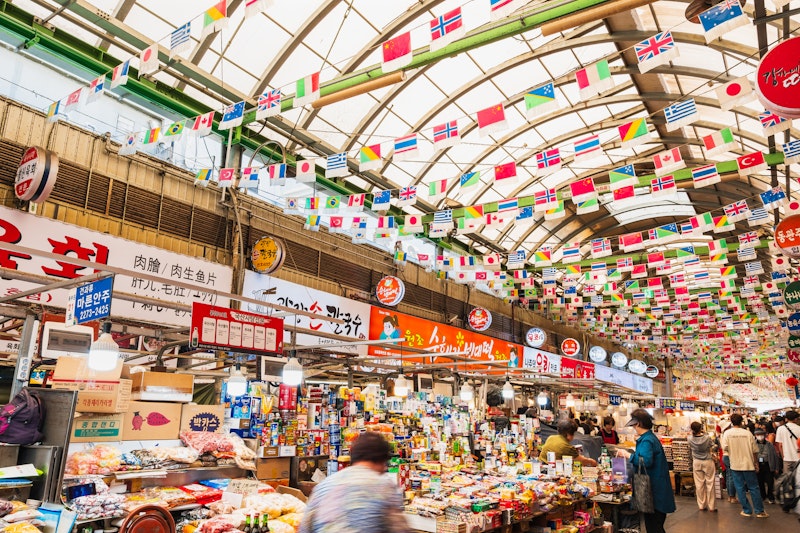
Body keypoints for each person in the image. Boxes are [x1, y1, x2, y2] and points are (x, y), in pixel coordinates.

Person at [298, 432, 409, 533]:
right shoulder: (384, 486)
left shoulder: (324, 486)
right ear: (382, 461)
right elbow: (400, 529)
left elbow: (304, 529)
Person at [617, 409, 675, 533]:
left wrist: (627, 455)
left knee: (654, 526)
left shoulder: (647, 440)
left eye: (634, 425)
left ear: (638, 424)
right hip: (656, 490)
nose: (633, 428)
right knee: (655, 525)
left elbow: (645, 461)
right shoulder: (649, 438)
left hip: (653, 491)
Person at [724, 413, 768, 518]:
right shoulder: (748, 433)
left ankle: (747, 510)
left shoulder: (727, 433)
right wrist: (756, 463)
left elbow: (725, 448)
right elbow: (755, 451)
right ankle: (759, 511)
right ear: (741, 422)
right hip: (748, 464)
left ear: (731, 422)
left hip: (735, 464)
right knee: (754, 487)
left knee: (740, 488)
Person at [688, 421, 717, 512]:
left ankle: (701, 505)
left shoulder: (689, 438)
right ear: (701, 428)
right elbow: (714, 446)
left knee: (699, 484)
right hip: (708, 461)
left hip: (696, 462)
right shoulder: (707, 438)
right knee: (710, 483)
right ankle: (712, 506)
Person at [754, 428, 780, 504]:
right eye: (758, 435)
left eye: (761, 434)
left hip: (768, 465)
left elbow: (775, 456)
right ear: (755, 435)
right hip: (758, 465)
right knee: (760, 482)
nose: (760, 436)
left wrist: (776, 467)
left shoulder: (769, 444)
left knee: (770, 482)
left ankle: (770, 496)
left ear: (764, 435)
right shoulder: (753, 444)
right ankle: (763, 496)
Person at [775, 410, 800, 474]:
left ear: (786, 419)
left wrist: (783, 456)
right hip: (798, 458)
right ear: (796, 419)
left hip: (787, 458)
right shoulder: (799, 428)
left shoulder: (780, 429)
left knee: (787, 479)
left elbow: (780, 445)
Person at [721, 424, 738, 503]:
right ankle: (732, 496)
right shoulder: (727, 434)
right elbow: (725, 447)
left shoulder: (723, 435)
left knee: (728, 476)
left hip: (725, 456)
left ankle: (730, 496)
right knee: (731, 476)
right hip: (729, 455)